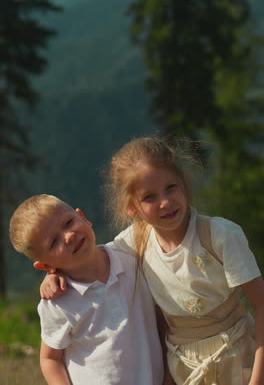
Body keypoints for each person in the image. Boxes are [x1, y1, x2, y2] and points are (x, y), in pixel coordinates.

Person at [40, 137, 264, 385]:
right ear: (131, 207)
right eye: (149, 197)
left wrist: (256, 379)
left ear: (184, 183)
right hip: (183, 369)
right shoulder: (135, 242)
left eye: (171, 187)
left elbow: (261, 305)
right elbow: (89, 256)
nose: (166, 202)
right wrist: (54, 272)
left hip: (239, 358)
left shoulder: (221, 236)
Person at [9, 194, 164, 385]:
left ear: (82, 217)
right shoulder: (59, 302)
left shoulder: (132, 257)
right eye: (54, 242)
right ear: (46, 266)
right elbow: (50, 358)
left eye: (68, 223)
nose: (69, 236)